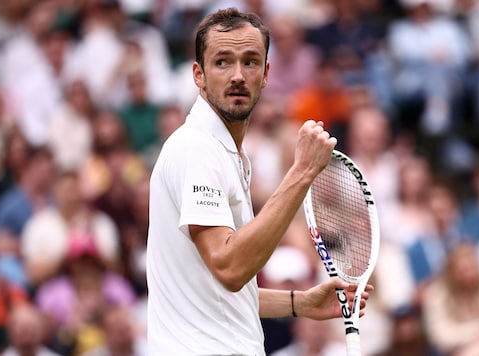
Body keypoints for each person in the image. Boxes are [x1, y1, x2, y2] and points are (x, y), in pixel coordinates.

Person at [146, 8, 372, 355]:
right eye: (222, 62)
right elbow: (230, 265)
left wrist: (300, 303)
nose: (238, 75)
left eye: (250, 62)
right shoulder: (196, 149)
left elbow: (215, 290)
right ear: (198, 74)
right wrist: (302, 172)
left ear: (266, 74)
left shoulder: (225, 153)